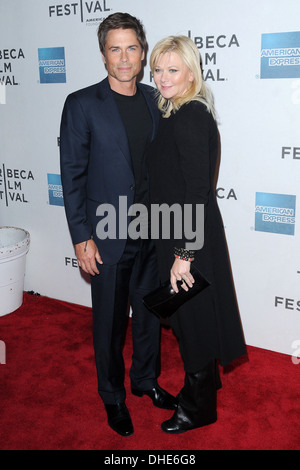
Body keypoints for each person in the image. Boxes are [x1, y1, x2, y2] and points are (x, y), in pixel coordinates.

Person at [59, 13, 177, 438]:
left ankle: (144, 380)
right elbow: (71, 174)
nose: (124, 57)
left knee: (149, 315)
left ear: (143, 53)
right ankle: (112, 395)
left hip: (152, 230)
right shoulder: (81, 103)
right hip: (106, 235)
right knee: (109, 322)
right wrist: (80, 237)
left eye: (132, 48)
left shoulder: (156, 100)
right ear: (103, 54)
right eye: (115, 48)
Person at [147, 35, 246, 433]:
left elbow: (196, 191)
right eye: (158, 69)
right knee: (193, 319)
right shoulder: (178, 112)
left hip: (189, 238)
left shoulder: (189, 116)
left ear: (191, 72)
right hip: (181, 232)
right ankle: (206, 389)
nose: (163, 77)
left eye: (172, 69)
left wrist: (184, 254)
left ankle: (199, 407)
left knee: (193, 322)